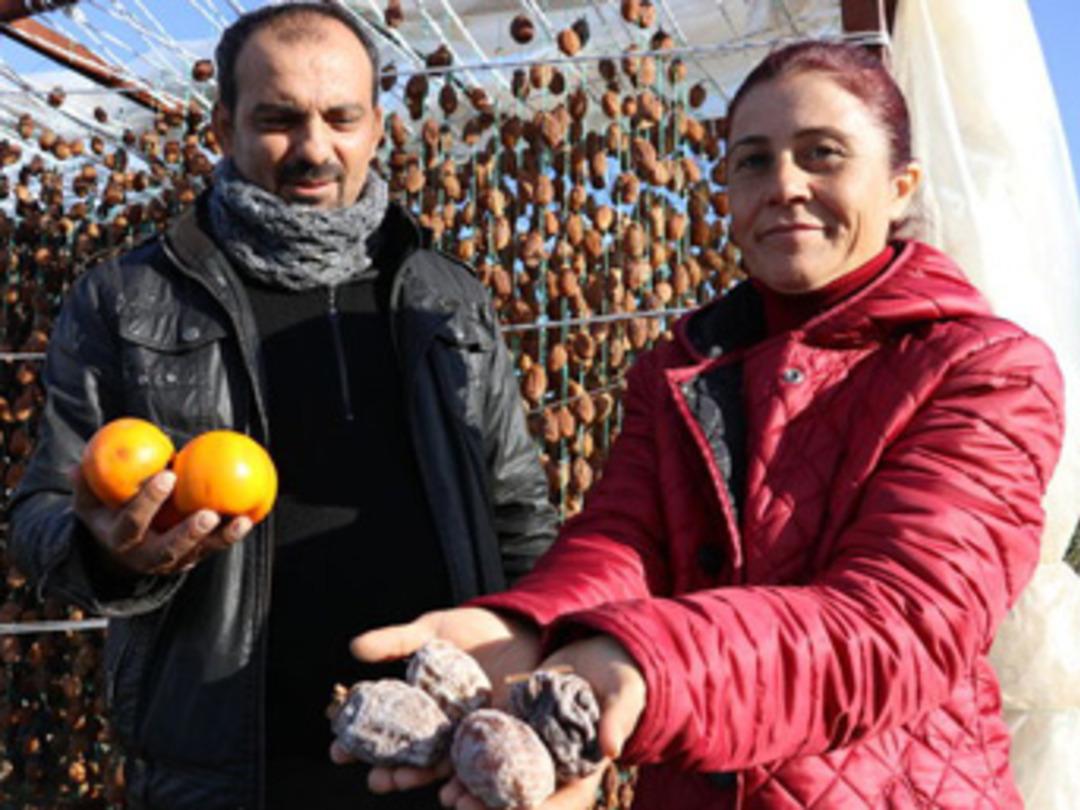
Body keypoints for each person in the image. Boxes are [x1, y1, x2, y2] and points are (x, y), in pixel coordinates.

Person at [345, 40, 1066, 809]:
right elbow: (628, 540)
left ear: (900, 186)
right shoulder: (682, 367)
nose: (785, 185)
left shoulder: (985, 368)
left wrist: (644, 665)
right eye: (753, 162)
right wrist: (530, 628)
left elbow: (899, 623)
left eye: (822, 155)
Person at [8, 4, 556, 809]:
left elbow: (518, 516)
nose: (313, 149)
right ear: (222, 124)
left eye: (341, 118)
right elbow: (42, 518)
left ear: (376, 125)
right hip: (229, 770)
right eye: (277, 120)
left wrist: (545, 676)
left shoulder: (447, 298)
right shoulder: (127, 301)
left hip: (441, 755)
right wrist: (111, 554)